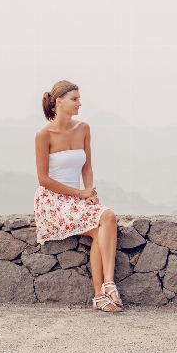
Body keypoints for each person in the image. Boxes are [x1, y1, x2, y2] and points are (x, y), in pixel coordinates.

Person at [34, 80, 122, 312]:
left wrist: (89, 192)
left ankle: (104, 290)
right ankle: (104, 292)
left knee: (107, 219)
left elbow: (87, 167)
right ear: (58, 102)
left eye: (79, 99)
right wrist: (79, 193)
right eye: (74, 99)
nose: (79, 103)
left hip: (79, 198)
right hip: (53, 201)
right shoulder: (44, 135)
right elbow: (43, 179)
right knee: (103, 224)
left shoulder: (83, 128)